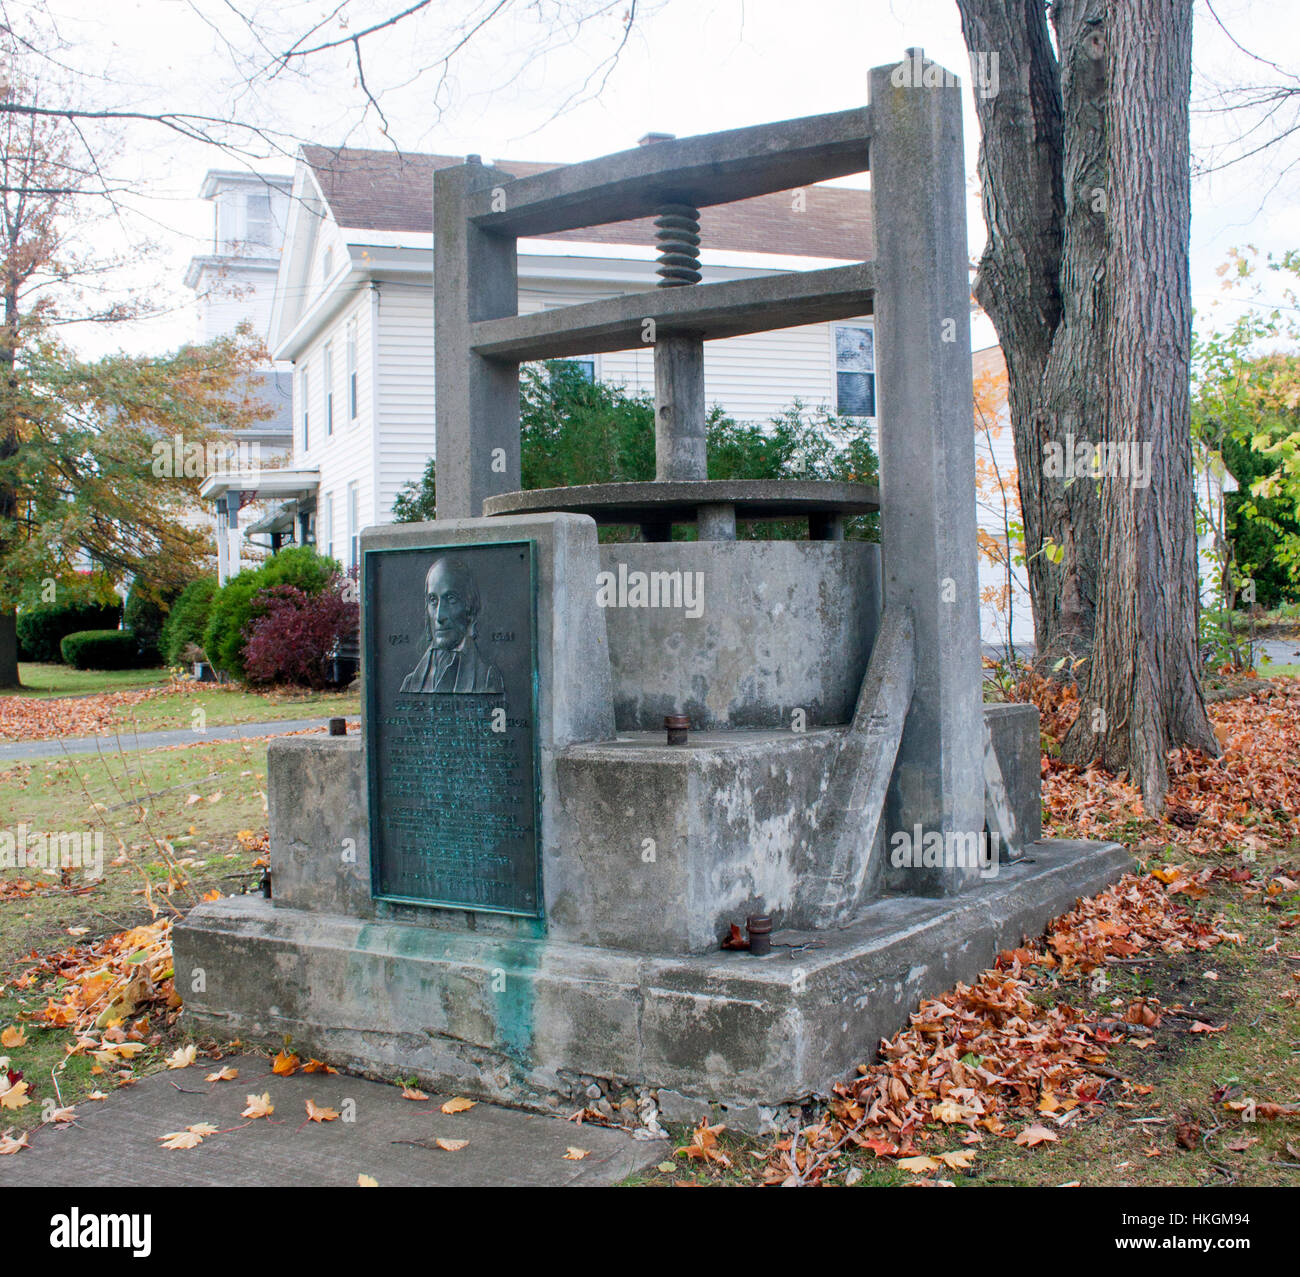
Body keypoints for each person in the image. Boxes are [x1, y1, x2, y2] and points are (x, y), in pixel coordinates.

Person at [400, 556, 504, 694]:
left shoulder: (487, 679)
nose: (439, 616)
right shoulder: (410, 683)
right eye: (433, 600)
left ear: (469, 605)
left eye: (451, 599)